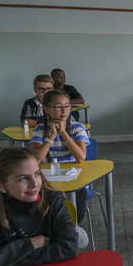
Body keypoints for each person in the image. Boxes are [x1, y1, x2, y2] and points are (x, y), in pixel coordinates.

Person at [30, 89, 90, 222]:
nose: (64, 110)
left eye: (67, 105)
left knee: (76, 213)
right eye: (58, 106)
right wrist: (51, 136)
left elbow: (81, 157)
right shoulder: (40, 129)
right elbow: (35, 159)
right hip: (47, 180)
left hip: (75, 179)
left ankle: (68, 234)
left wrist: (63, 133)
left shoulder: (78, 127)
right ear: (46, 109)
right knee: (40, 213)